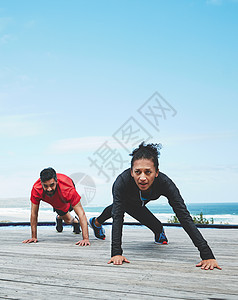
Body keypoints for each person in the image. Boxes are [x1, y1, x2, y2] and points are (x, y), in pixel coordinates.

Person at [89, 142, 221, 270]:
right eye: (137, 172)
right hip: (127, 202)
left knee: (159, 229)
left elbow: (183, 216)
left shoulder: (165, 183)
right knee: (118, 208)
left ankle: (157, 230)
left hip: (138, 205)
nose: (142, 177)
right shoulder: (122, 182)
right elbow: (117, 217)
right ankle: (96, 222)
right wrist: (116, 253)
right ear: (131, 172)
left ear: (156, 172)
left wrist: (207, 254)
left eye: (148, 172)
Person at [22, 167, 90, 246]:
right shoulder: (36, 189)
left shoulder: (68, 190)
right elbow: (34, 213)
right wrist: (34, 237)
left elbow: (81, 213)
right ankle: (64, 218)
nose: (49, 189)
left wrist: (85, 238)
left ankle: (74, 221)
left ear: (56, 181)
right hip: (55, 200)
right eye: (45, 186)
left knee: (68, 219)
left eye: (52, 185)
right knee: (66, 218)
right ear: (41, 183)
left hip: (63, 194)